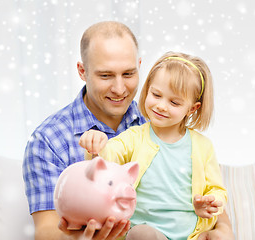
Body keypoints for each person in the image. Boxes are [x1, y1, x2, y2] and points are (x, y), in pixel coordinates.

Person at [23, 21, 234, 240]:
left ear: (140, 66)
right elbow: (47, 231)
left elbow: (206, 194)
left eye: (128, 74)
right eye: (105, 75)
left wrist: (223, 231)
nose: (119, 88)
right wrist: (81, 238)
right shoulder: (47, 139)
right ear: (82, 71)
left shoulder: (160, 120)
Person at [79, 51, 227, 240]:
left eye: (174, 102)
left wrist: (211, 202)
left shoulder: (203, 146)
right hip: (145, 233)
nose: (161, 106)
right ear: (147, 90)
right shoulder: (134, 137)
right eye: (156, 95)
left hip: (191, 235)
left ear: (192, 109)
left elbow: (217, 189)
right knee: (142, 234)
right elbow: (107, 158)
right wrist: (95, 144)